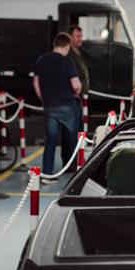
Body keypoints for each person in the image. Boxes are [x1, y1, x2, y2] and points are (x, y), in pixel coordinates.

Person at [33, 33, 82, 183]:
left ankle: (47, 175)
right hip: (67, 105)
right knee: (74, 141)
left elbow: (36, 83)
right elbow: (75, 84)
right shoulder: (67, 62)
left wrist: (45, 99)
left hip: (50, 106)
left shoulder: (42, 60)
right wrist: (78, 91)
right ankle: (78, 176)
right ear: (66, 46)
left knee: (51, 141)